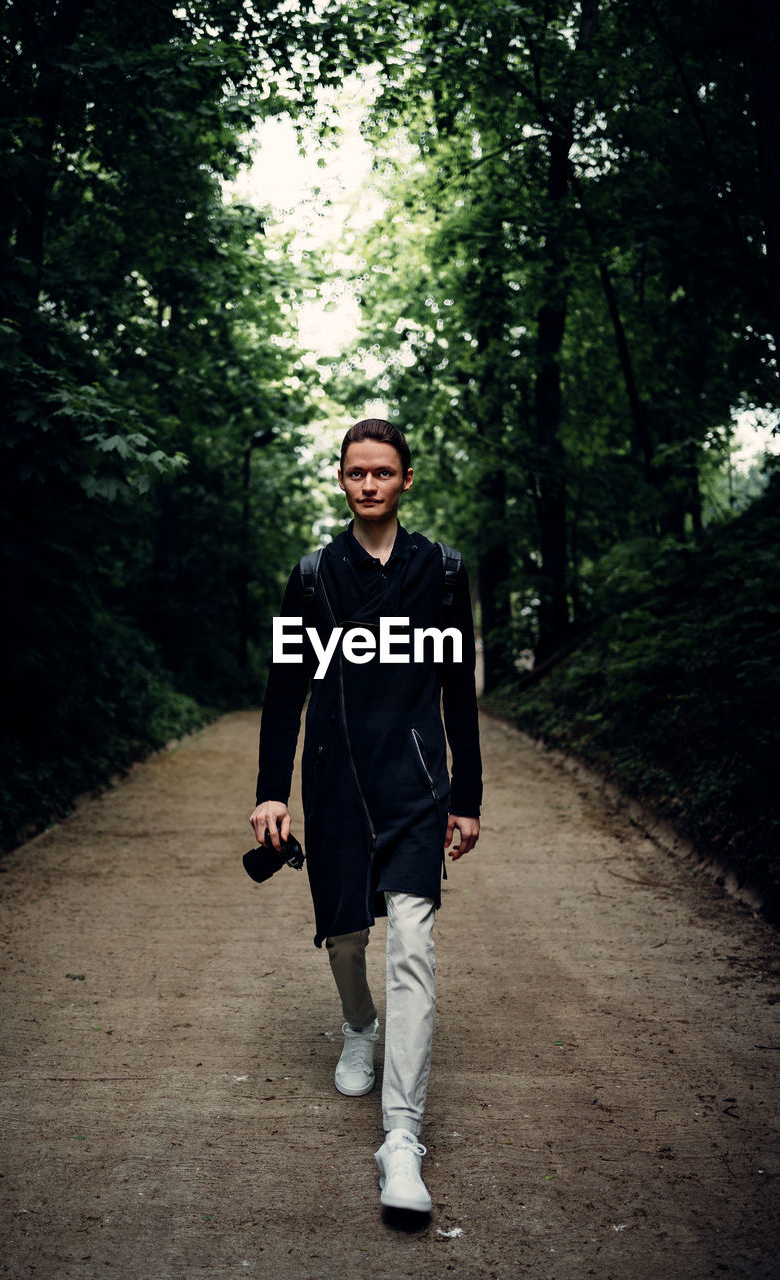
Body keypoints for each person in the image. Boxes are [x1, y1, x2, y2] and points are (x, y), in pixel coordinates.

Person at [249, 418, 482, 1214]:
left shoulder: (443, 573)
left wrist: (469, 798)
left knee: (412, 942)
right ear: (342, 481)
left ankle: (401, 1137)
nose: (369, 484)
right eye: (356, 473)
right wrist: (271, 789)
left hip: (416, 786)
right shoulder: (313, 576)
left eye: (383, 472)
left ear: (406, 480)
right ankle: (357, 1025)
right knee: (345, 935)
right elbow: (287, 692)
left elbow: (458, 693)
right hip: (336, 783)